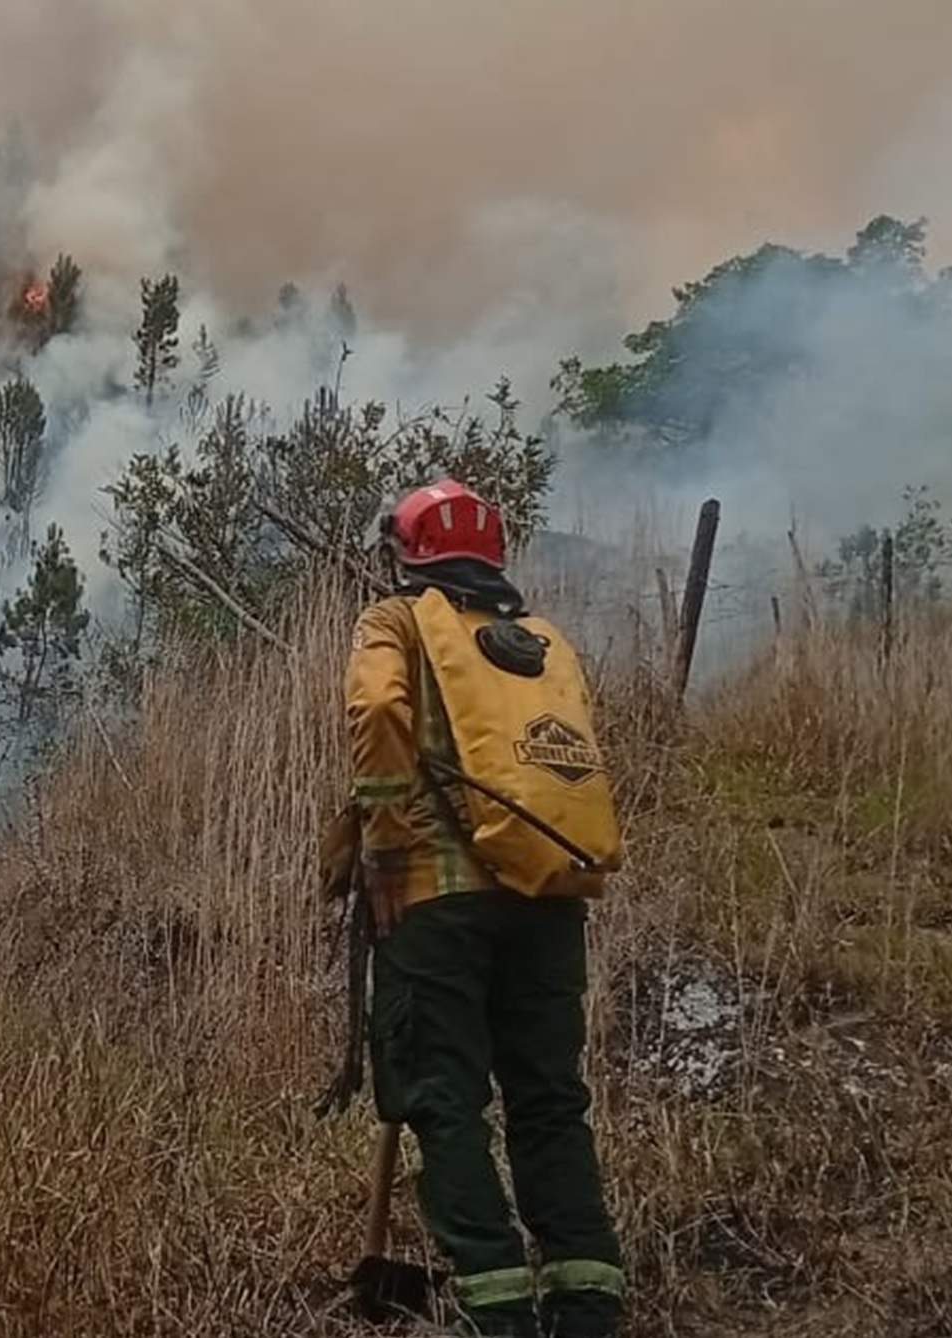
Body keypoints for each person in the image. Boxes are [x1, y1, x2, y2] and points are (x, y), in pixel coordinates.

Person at [331, 479, 627, 1338]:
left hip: (435, 900)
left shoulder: (396, 622)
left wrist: (386, 843)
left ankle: (498, 1306)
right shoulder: (539, 642)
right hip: (546, 892)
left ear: (406, 554)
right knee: (547, 1097)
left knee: (444, 1098)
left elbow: (377, 706)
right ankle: (588, 1298)